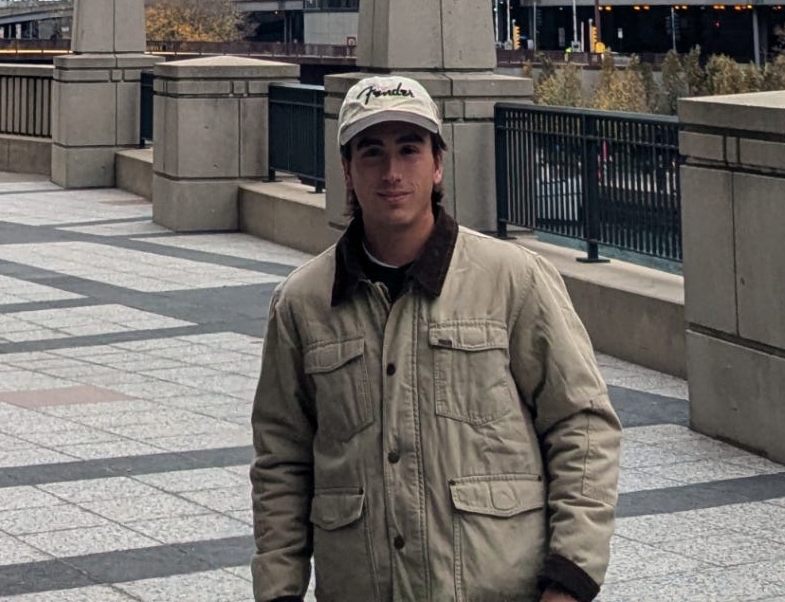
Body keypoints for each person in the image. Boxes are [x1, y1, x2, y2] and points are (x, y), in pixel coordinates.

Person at [250, 75, 622, 602]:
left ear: (438, 163)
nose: (392, 172)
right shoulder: (302, 302)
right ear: (347, 170)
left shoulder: (513, 279)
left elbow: (582, 424)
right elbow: (281, 461)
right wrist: (278, 589)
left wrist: (570, 577)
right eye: (372, 152)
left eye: (410, 149)